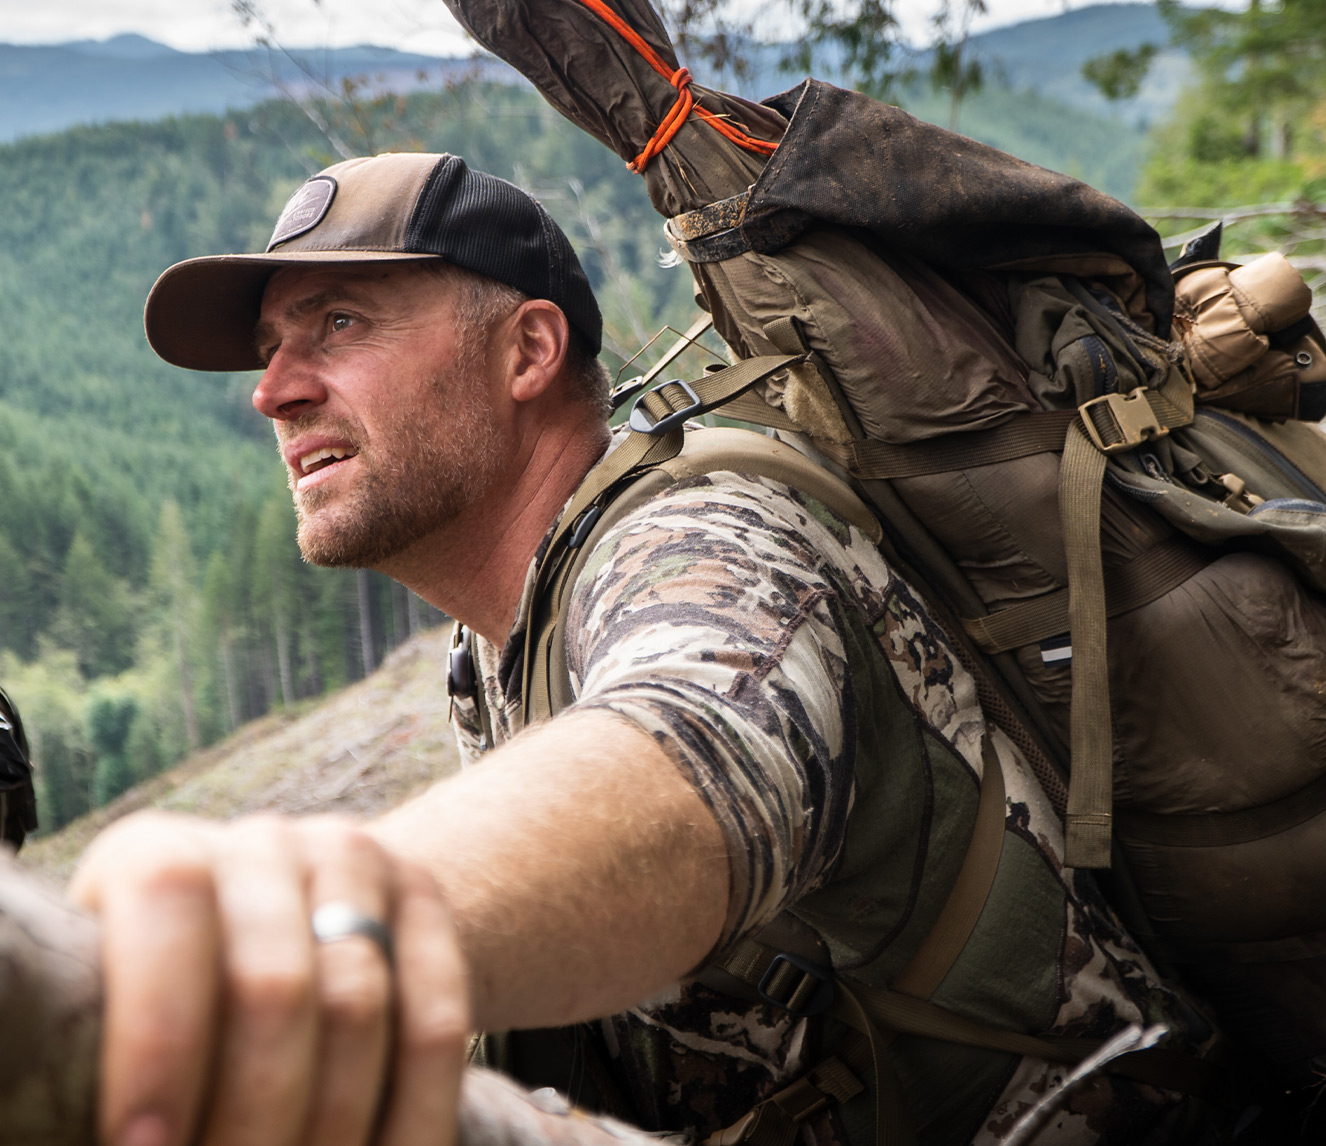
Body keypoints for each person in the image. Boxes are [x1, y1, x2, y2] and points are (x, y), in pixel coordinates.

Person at [76, 150, 1220, 1146]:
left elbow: (697, 750)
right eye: (271, 347)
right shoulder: (496, 646)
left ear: (527, 350)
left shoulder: (698, 531)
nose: (273, 391)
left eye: (339, 324)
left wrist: (330, 927)